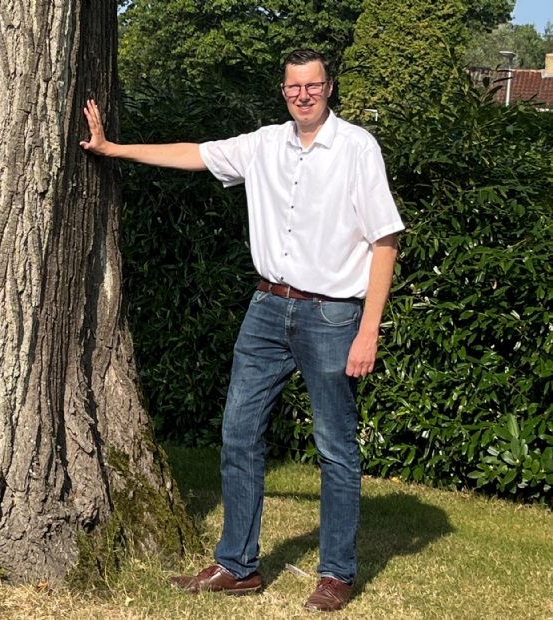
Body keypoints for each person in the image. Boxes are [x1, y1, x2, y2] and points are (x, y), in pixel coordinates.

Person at [80, 48, 403, 612]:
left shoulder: (357, 149)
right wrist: (112, 149)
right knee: (238, 432)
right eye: (293, 87)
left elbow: (385, 240)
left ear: (329, 88)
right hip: (266, 311)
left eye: (313, 85)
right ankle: (238, 565)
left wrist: (368, 330)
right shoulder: (263, 145)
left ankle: (337, 574)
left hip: (333, 316)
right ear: (283, 92)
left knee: (334, 448)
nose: (303, 94)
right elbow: (194, 154)